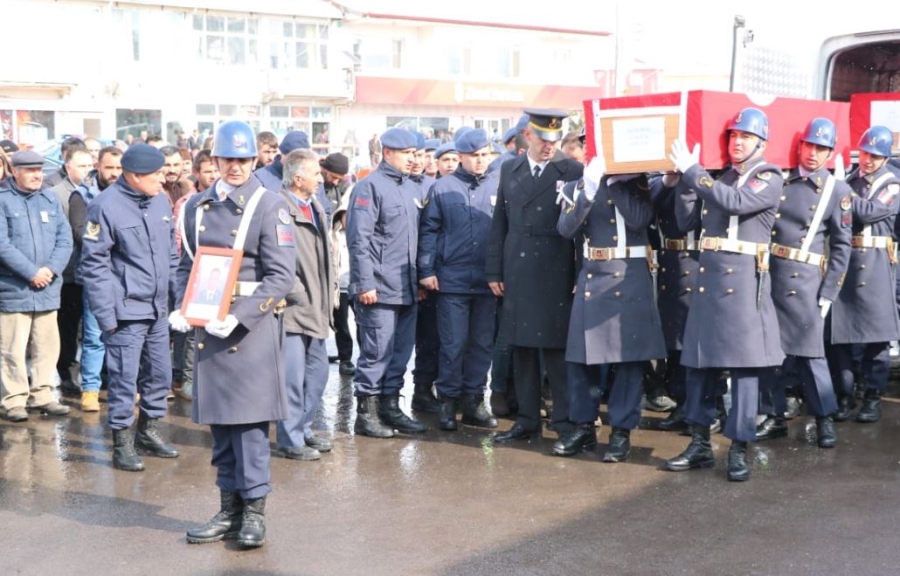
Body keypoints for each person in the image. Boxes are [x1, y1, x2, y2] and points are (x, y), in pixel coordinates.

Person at [173, 121, 295, 549]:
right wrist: (184, 307)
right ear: (215, 160)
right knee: (222, 427)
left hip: (250, 331)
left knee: (249, 430)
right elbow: (187, 265)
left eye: (244, 159)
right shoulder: (196, 207)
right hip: (210, 325)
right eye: (228, 159)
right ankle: (229, 509)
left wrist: (241, 316)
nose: (236, 167)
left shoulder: (269, 204)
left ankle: (255, 513)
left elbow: (281, 277)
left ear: (255, 160)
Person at [664, 107, 785, 482]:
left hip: (743, 282)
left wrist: (694, 173)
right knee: (699, 364)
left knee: (744, 370)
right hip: (709, 279)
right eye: (733, 136)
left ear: (760, 142)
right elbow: (686, 222)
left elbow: (735, 204)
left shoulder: (768, 175)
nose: (737, 143)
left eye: (745, 137)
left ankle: (738, 448)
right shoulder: (718, 177)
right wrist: (683, 182)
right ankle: (700, 442)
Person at [553, 159, 667, 461]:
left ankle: (621, 431)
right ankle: (582, 427)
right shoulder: (577, 186)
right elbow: (565, 228)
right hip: (594, 274)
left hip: (629, 274)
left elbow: (639, 219)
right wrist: (588, 191)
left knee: (629, 361)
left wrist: (615, 183)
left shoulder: (637, 182)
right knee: (582, 360)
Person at [752, 118, 852, 448]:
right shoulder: (779, 180)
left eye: (821, 148)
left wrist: (829, 291)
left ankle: (824, 418)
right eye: (809, 145)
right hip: (770, 274)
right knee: (769, 353)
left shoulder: (837, 191)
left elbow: (841, 246)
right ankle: (774, 415)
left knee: (811, 356)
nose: (813, 153)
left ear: (830, 153)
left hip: (805, 281)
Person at [486, 108, 584, 442]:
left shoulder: (572, 169)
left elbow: (582, 228)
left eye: (554, 140)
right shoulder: (509, 168)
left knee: (556, 351)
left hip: (557, 265)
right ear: (528, 135)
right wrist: (494, 269)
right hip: (518, 266)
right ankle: (527, 419)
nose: (549, 146)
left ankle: (565, 420)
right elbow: (500, 220)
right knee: (522, 348)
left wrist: (580, 272)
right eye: (543, 139)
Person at [80, 144, 180, 471]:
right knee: (124, 379)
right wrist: (106, 315)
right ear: (135, 176)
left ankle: (148, 433)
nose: (163, 181)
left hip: (157, 309)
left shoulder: (159, 201)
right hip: (125, 312)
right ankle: (122, 443)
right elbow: (94, 265)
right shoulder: (105, 206)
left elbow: (171, 254)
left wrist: (175, 299)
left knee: (160, 375)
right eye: (157, 175)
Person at [347, 127, 428, 438]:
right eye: (407, 154)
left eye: (414, 154)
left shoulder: (411, 189)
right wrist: (364, 283)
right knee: (376, 352)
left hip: (406, 287)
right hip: (378, 288)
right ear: (388, 153)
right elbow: (359, 240)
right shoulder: (369, 188)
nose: (412, 159)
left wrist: (419, 279)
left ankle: (390, 407)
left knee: (400, 353)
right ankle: (365, 415)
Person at [418, 128, 499, 431]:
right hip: (451, 279)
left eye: (485, 155)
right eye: (474, 156)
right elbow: (429, 230)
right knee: (452, 344)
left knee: (481, 345)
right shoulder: (443, 187)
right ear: (461, 157)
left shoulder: (498, 184)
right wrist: (426, 271)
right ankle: (448, 402)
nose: (480, 161)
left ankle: (474, 401)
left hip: (487, 281)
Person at [828, 125, 900, 424]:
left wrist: (841, 191)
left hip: (876, 264)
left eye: (874, 155)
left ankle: (872, 396)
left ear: (885, 158)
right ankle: (845, 395)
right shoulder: (850, 180)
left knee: (876, 340)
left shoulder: (892, 184)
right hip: (847, 260)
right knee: (843, 339)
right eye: (865, 153)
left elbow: (870, 211)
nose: (868, 160)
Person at [0, 150, 73, 422]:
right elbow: (2, 245)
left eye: (39, 169)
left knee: (46, 345)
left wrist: (50, 270)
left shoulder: (49, 198)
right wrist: (31, 272)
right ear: (15, 171)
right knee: (12, 348)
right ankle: (14, 399)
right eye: (30, 170)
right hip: (13, 288)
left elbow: (65, 240)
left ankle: (42, 394)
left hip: (47, 288)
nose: (37, 175)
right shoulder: (2, 199)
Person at [274, 149, 337, 461]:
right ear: (298, 179)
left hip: (318, 306)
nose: (320, 179)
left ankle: (304, 428)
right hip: (294, 309)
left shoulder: (314, 205)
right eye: (314, 174)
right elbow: (276, 259)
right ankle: (290, 438)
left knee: (317, 374)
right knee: (292, 379)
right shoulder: (279, 207)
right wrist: (295, 292)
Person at [69, 146, 123, 412]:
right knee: (94, 335)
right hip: (96, 276)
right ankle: (90, 388)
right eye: (109, 167)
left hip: (125, 276)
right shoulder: (82, 195)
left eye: (118, 168)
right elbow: (82, 234)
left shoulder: (129, 195)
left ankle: (120, 386)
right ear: (97, 166)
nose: (114, 173)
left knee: (123, 335)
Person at [409, 132, 441, 413]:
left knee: (430, 338)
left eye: (423, 155)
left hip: (430, 276)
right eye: (414, 155)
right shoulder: (399, 185)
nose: (418, 161)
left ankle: (423, 389)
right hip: (403, 276)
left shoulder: (433, 187)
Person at [254, 131, 332, 220]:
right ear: (283, 154)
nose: (299, 163)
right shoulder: (260, 178)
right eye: (296, 158)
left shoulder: (314, 178)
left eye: (303, 159)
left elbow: (326, 212)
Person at [331, 193, 354, 376]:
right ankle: (345, 358)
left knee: (365, 325)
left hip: (360, 285)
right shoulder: (333, 234)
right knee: (341, 324)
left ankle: (367, 359)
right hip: (340, 287)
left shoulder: (364, 232)